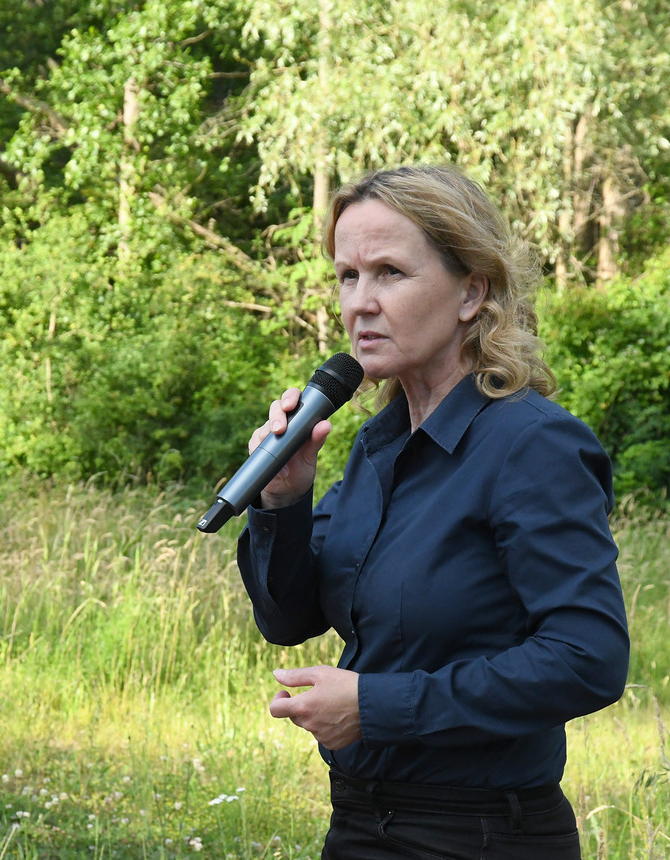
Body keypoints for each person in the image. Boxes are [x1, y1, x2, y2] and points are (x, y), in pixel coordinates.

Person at [236, 165, 630, 859]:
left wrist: (374, 707)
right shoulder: (379, 445)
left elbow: (588, 658)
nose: (360, 302)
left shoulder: (529, 444)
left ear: (471, 291)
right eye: (347, 276)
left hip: (481, 835)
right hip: (360, 824)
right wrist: (282, 500)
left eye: (390, 272)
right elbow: (287, 620)